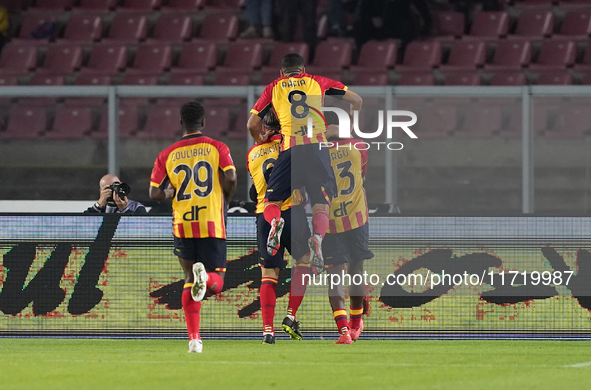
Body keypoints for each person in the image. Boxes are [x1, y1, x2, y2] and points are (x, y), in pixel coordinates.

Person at [247, 53, 363, 276]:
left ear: (282, 73)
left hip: (291, 149)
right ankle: (318, 238)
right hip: (318, 150)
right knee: (321, 203)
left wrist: (260, 138)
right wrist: (352, 129)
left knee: (272, 200)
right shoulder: (317, 81)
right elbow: (356, 100)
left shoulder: (274, 87)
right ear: (303, 69)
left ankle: (276, 223)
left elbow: (252, 123)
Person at [149, 101, 237, 353]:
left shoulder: (167, 154)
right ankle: (206, 277)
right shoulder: (217, 147)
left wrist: (169, 192)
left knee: (188, 279)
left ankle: (194, 340)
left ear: (181, 124)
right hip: (211, 220)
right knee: (217, 279)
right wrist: (225, 201)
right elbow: (230, 176)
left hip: (183, 223)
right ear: (203, 123)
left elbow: (154, 193)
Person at [247, 110, 312, 344]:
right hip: (292, 210)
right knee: (304, 262)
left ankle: (267, 330)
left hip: (264, 215)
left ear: (264, 127)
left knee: (268, 275)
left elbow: (255, 189)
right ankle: (290, 315)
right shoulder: (290, 149)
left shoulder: (252, 153)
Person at [322, 112, 373, 344]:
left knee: (334, 276)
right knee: (355, 271)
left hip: (330, 220)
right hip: (357, 216)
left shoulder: (317, 153)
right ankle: (355, 325)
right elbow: (362, 174)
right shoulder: (359, 145)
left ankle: (344, 332)